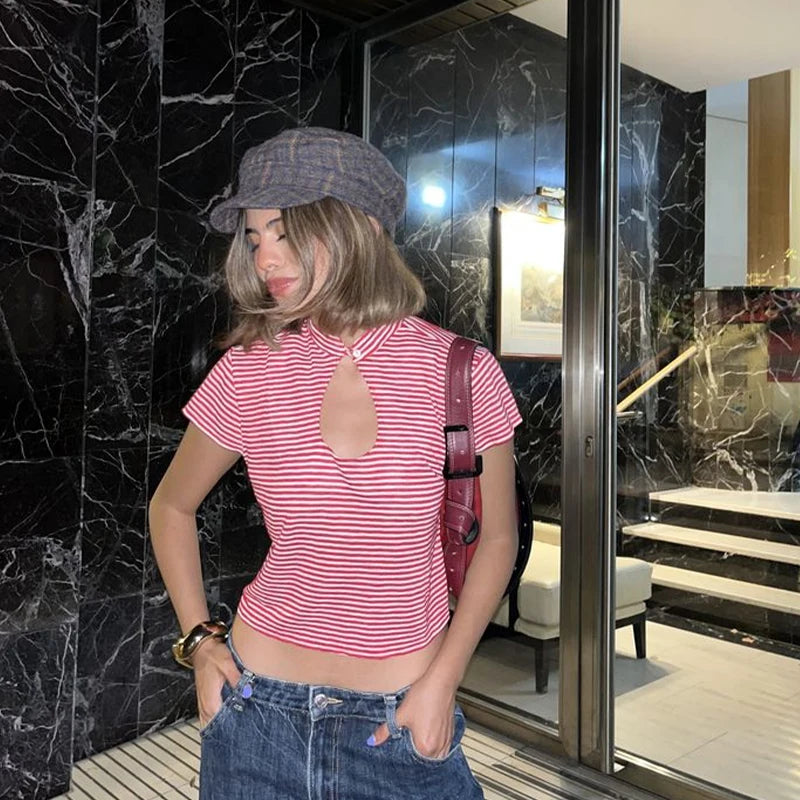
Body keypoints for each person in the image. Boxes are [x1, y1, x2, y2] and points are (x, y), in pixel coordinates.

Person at [148, 126, 522, 800]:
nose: (265, 256)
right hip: (255, 712)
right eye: (253, 238)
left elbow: (497, 538)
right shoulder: (249, 369)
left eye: (284, 232)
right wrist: (201, 645)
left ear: (361, 227)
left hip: (400, 718)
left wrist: (443, 683)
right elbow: (171, 506)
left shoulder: (459, 370)